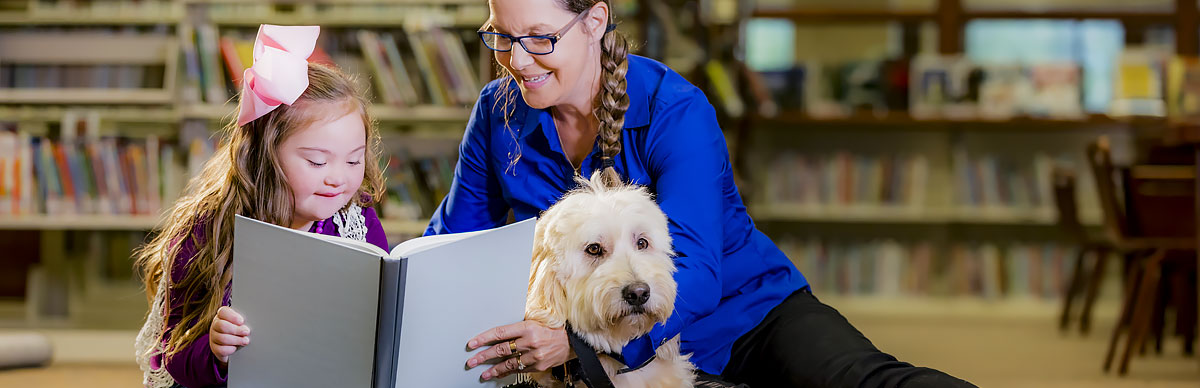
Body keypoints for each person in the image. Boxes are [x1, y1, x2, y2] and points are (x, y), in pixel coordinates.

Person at [429, 1, 976, 386]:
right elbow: (455, 242)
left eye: (540, 38)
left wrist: (579, 346)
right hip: (599, 332)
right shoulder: (496, 112)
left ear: (594, 21)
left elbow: (698, 273)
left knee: (860, 380)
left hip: (747, 316)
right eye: (502, 36)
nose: (517, 60)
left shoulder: (676, 110)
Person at [132, 25, 389, 388]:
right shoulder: (208, 230)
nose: (339, 179)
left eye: (354, 160)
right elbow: (175, 357)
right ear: (265, 156)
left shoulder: (357, 222)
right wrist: (216, 349)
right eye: (317, 162)